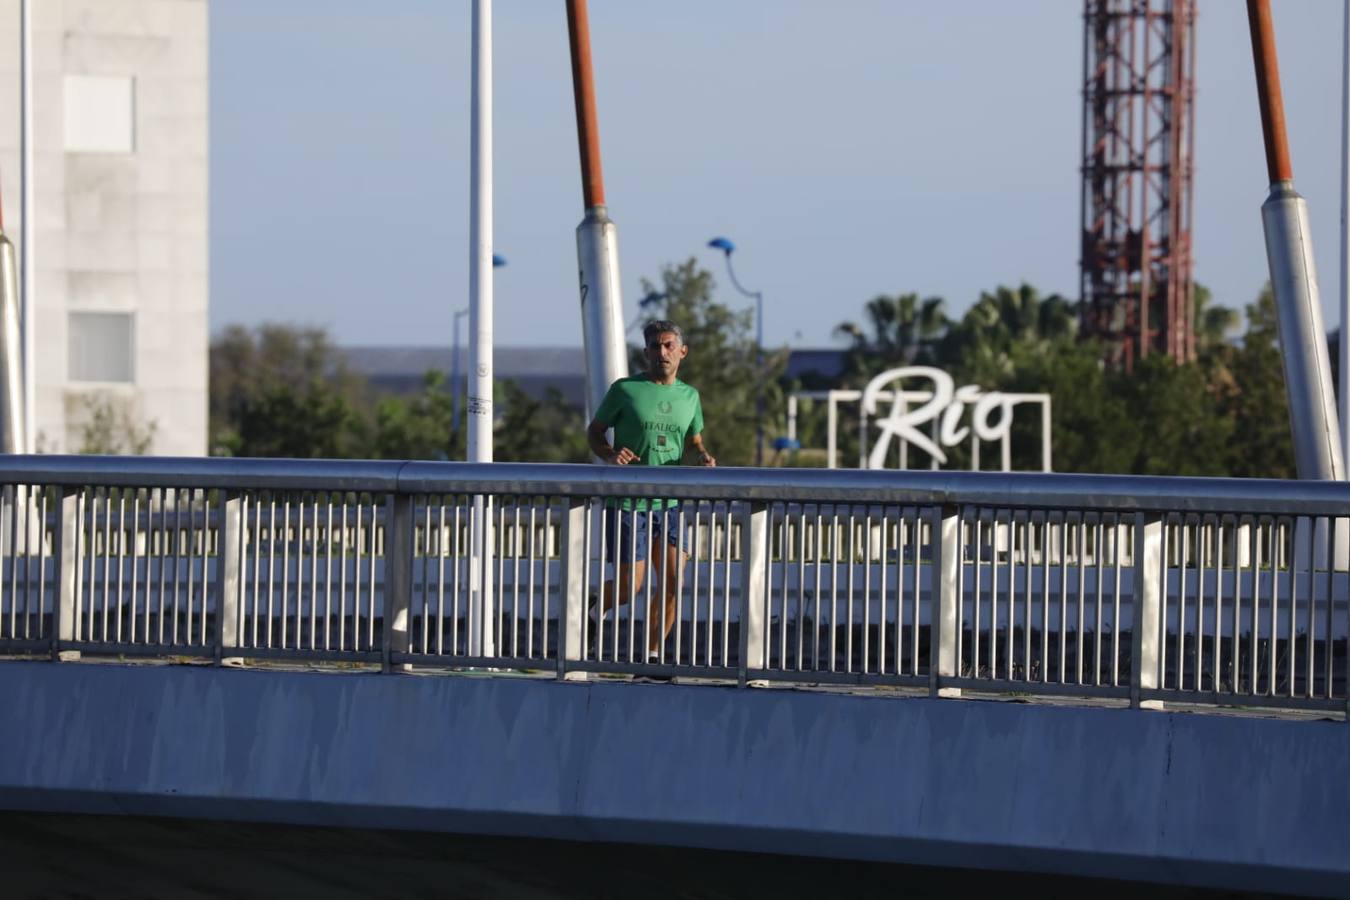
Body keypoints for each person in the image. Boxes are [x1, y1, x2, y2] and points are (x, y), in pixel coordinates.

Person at [586, 320, 715, 663]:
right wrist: (610, 454)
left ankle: (652, 657)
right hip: (629, 502)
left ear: (682, 351)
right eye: (656, 347)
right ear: (645, 353)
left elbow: (694, 437)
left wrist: (702, 455)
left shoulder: (690, 396)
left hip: (670, 503)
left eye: (669, 345)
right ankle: (595, 607)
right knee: (632, 587)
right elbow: (595, 431)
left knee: (673, 583)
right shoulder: (625, 389)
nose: (662, 353)